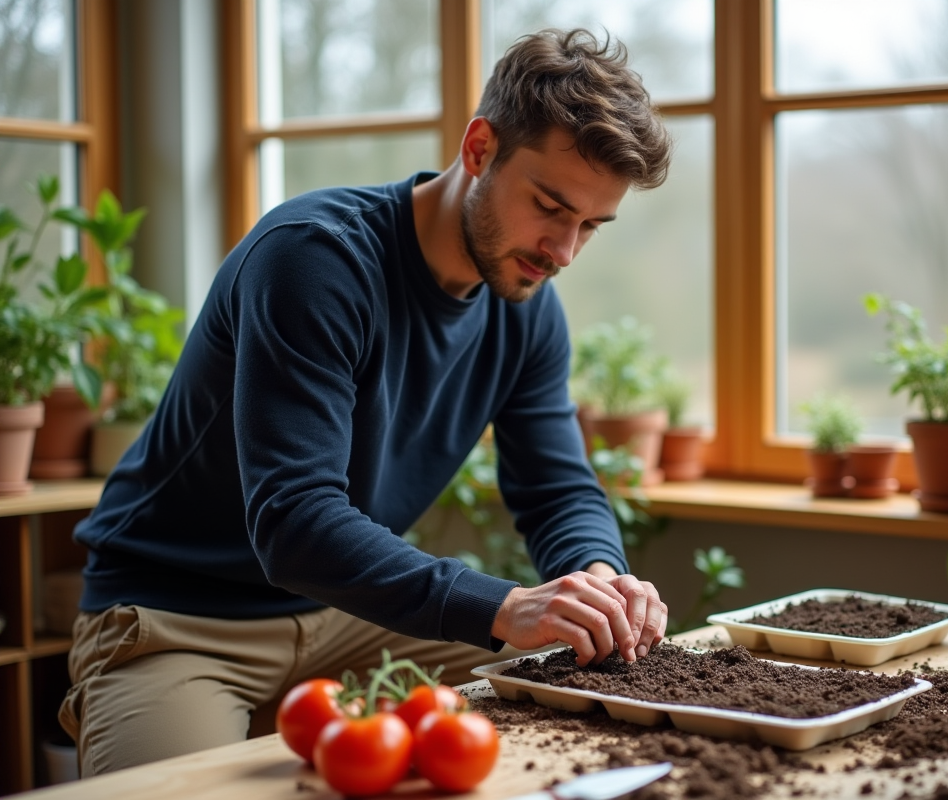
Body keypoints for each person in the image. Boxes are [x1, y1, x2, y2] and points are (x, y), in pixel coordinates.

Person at [59, 28, 673, 776]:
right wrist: (505, 607)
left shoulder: (527, 305)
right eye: (550, 206)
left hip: (348, 613)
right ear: (479, 148)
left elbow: (555, 487)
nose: (564, 251)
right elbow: (294, 521)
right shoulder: (315, 259)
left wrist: (598, 580)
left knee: (582, 688)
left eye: (590, 227)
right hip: (178, 616)